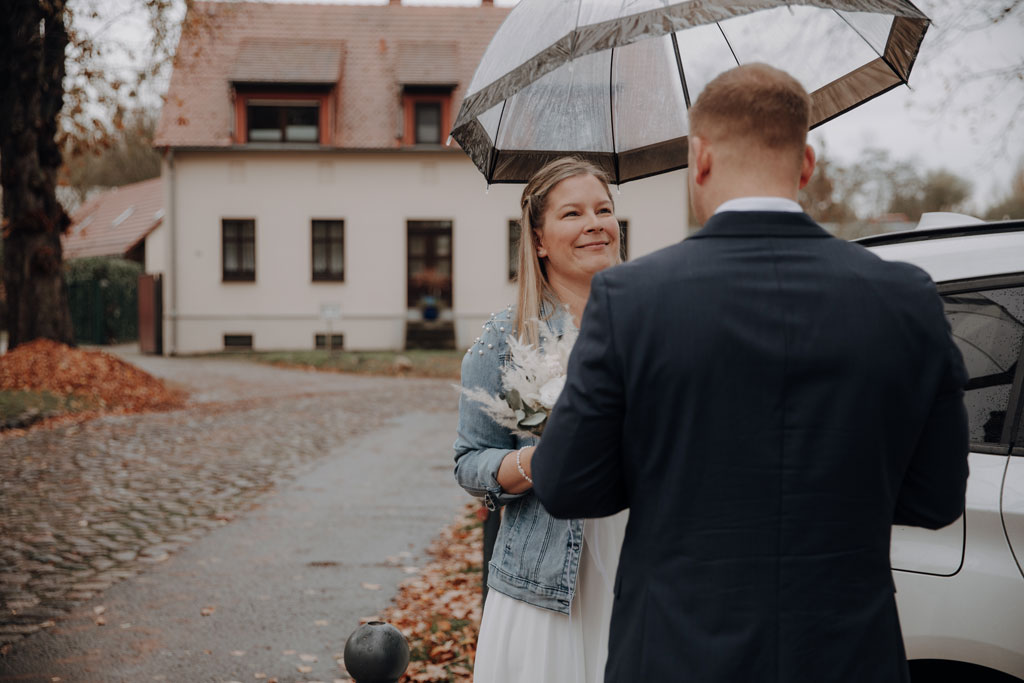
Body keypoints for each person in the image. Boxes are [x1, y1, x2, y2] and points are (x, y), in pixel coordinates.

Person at [531, 63, 970, 683]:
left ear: (699, 158)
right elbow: (936, 498)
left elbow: (567, 484)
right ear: (807, 164)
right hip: (846, 656)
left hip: (677, 654)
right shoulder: (906, 297)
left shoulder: (632, 300)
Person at [454, 156, 628, 683]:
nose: (595, 223)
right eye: (572, 213)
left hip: (641, 557)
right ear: (539, 241)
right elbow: (469, 461)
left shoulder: (652, 324)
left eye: (604, 209)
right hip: (546, 573)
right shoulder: (505, 340)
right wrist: (536, 460)